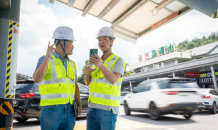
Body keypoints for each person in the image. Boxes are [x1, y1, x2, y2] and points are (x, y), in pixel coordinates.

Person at [33, 26, 82, 130]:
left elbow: (75, 86)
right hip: (51, 110)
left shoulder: (72, 64)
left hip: (70, 109)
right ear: (62, 42)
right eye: (71, 43)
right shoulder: (45, 59)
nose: (73, 47)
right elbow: (37, 79)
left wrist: (79, 104)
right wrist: (47, 58)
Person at [84, 26, 126, 130]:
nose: (101, 42)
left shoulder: (118, 60)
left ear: (112, 41)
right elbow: (87, 83)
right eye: (99, 39)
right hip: (92, 108)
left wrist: (101, 65)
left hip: (108, 110)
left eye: (104, 39)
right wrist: (87, 73)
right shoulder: (95, 61)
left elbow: (113, 79)